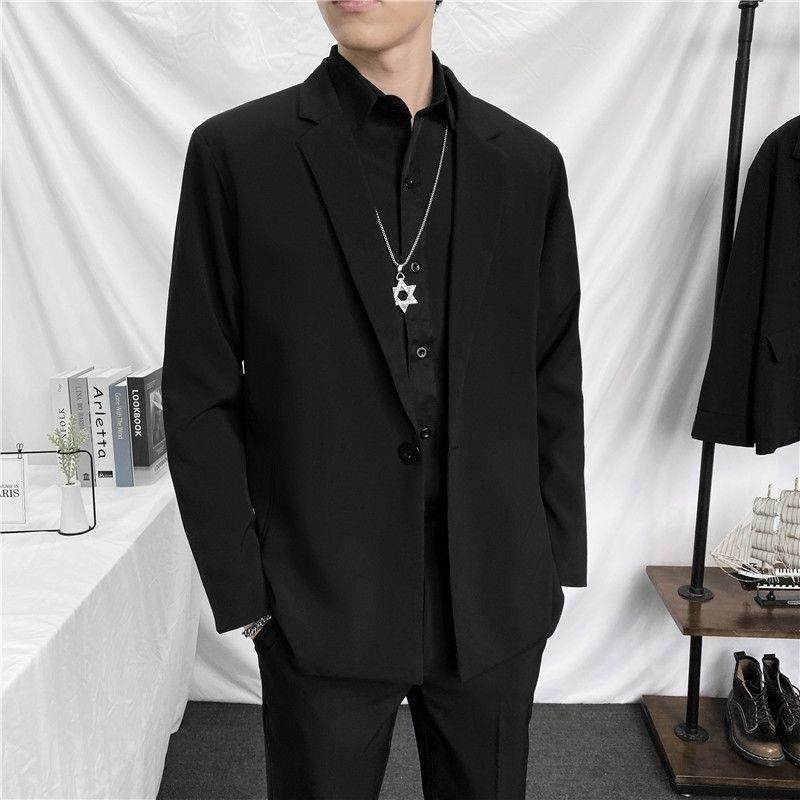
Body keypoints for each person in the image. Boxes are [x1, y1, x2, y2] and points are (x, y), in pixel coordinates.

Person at [162, 1, 587, 797]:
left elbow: (552, 373)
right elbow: (198, 389)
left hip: (494, 592)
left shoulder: (526, 163)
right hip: (316, 594)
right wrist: (249, 593)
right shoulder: (238, 154)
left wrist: (552, 562)